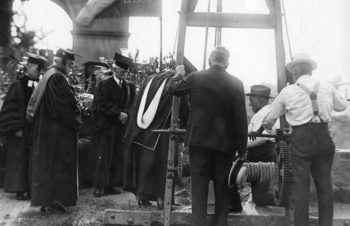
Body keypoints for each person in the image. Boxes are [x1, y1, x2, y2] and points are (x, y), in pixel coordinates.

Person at [261, 53, 347, 226]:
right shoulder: (327, 86)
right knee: (325, 187)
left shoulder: (288, 91)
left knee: (301, 189)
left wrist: (266, 127)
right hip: (324, 138)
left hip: (301, 140)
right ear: (311, 71)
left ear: (293, 72)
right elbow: (342, 105)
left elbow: (268, 120)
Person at [169, 46, 248, 226]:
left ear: (210, 61)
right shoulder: (236, 83)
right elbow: (241, 120)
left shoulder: (195, 77)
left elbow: (172, 89)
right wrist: (242, 149)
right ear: (227, 63)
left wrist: (178, 74)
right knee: (223, 189)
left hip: (199, 143)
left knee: (199, 191)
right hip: (224, 146)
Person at [123, 59, 194, 208]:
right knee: (164, 166)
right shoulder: (177, 82)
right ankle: (163, 200)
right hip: (162, 132)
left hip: (141, 130)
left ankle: (142, 199)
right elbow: (183, 110)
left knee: (145, 165)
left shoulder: (151, 79)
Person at [27, 48, 82, 212]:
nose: (70, 67)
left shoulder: (49, 74)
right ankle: (54, 201)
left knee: (47, 166)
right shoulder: (57, 77)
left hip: (47, 129)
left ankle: (47, 201)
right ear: (62, 62)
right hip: (56, 132)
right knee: (56, 165)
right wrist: (77, 117)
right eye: (70, 64)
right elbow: (63, 106)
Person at [88, 52, 136, 197]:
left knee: (116, 156)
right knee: (103, 156)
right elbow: (100, 103)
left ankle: (111, 185)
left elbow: (132, 103)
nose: (124, 74)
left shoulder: (129, 87)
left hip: (120, 126)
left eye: (126, 72)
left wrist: (126, 114)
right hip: (106, 125)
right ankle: (98, 186)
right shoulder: (104, 84)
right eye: (122, 71)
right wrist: (118, 113)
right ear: (115, 69)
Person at [0, 53, 47, 200]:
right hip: (21, 129)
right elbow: (10, 108)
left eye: (39, 69)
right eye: (35, 67)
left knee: (35, 158)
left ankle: (34, 190)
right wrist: (16, 128)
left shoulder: (42, 85)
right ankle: (20, 189)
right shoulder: (18, 85)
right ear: (29, 66)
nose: (37, 71)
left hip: (37, 130)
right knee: (20, 159)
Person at [246, 84, 279, 206]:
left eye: (251, 100)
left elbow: (261, 139)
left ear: (259, 99)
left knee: (260, 196)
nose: (250, 104)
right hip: (261, 154)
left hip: (262, 155)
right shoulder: (264, 112)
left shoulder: (264, 114)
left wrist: (242, 147)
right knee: (258, 194)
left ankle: (286, 199)